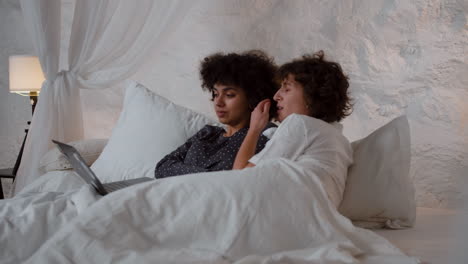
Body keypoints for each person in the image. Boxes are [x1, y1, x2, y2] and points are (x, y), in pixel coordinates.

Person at [233, 50, 353, 207]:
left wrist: (254, 129)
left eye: (286, 89)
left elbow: (239, 179)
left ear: (311, 96)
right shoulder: (339, 138)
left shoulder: (300, 124)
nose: (276, 96)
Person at [154, 50, 278, 179]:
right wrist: (210, 176)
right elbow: (162, 167)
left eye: (229, 95)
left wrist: (191, 174)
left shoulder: (260, 137)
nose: (218, 102)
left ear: (253, 98)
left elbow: (237, 179)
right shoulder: (207, 133)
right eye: (215, 94)